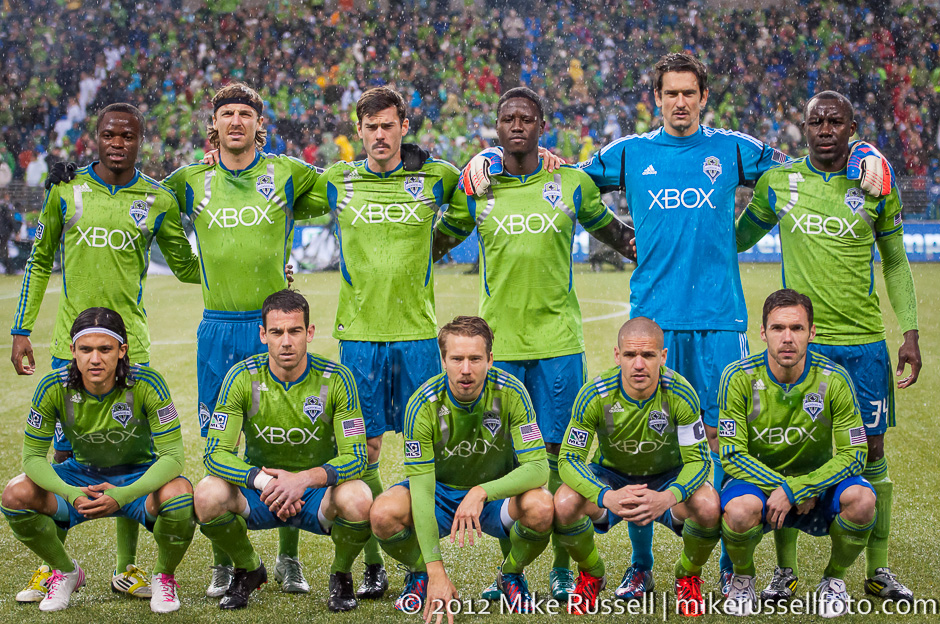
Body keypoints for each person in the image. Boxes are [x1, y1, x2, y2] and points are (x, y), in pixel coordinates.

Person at [459, 53, 892, 598]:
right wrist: (489, 157)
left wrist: (863, 152)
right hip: (654, 323)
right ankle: (640, 566)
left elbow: (804, 161)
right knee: (641, 440)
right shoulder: (629, 152)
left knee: (721, 439)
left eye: (689, 93)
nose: (680, 102)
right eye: (671, 94)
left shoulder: (733, 149)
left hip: (718, 319)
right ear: (656, 99)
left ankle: (728, 565)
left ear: (703, 97)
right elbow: (559, 172)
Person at [433, 86, 635, 600]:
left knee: (560, 460)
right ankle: (514, 573)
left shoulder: (570, 183)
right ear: (497, 128)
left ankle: (564, 568)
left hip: (558, 345)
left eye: (526, 118)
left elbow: (618, 236)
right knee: (511, 463)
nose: (517, 125)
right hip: (497, 350)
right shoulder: (477, 188)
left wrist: (668, 247)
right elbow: (432, 243)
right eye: (508, 119)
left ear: (542, 126)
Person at [735, 91, 920, 603]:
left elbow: (896, 261)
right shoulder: (780, 182)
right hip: (800, 345)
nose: (824, 129)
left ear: (852, 128)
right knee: (790, 451)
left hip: (863, 345)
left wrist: (909, 331)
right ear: (804, 126)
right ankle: (785, 571)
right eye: (815, 120)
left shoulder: (875, 184)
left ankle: (877, 570)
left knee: (873, 452)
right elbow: (736, 238)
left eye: (835, 121)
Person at [9, 103, 200, 602]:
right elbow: (39, 258)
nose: (118, 143)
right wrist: (21, 329)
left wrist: (262, 271)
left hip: (131, 347)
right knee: (64, 454)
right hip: (69, 349)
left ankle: (126, 567)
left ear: (141, 140)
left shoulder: (157, 198)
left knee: (129, 454)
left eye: (128, 136)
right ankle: (57, 567)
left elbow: (187, 266)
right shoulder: (65, 189)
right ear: (95, 138)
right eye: (109, 135)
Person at [294, 86, 460, 599]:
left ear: (404, 127)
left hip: (416, 338)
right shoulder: (337, 180)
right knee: (362, 454)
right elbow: (280, 194)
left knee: (420, 453)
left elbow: (469, 205)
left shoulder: (436, 177)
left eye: (389, 125)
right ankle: (367, 565)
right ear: (359, 132)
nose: (381, 135)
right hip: (360, 339)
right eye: (371, 127)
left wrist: (432, 246)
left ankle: (415, 560)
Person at [162, 82, 324, 597]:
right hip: (218, 329)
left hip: (274, 324)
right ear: (214, 124)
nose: (236, 121)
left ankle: (289, 557)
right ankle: (227, 559)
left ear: (260, 123)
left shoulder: (287, 172)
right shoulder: (190, 179)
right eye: (227, 113)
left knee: (286, 438)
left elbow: (346, 183)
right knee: (222, 444)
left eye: (245, 113)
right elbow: (143, 198)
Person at [1, 307, 195, 613]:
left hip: (137, 476)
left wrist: (124, 494)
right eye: (85, 349)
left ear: (122, 351)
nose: (95, 359)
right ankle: (65, 571)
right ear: (73, 351)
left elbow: (173, 457)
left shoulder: (148, 383)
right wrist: (70, 493)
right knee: (16, 494)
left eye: (105, 349)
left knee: (181, 496)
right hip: (81, 476)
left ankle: (163, 576)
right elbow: (32, 458)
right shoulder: (53, 387)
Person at [194, 289, 371, 611]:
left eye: (295, 331)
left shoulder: (337, 379)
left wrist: (302, 480)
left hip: (315, 495)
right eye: (276, 332)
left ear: (310, 332)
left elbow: (358, 457)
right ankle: (249, 567)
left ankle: (341, 575)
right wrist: (265, 482)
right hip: (261, 493)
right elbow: (215, 453)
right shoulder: (242, 377)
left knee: (359, 497)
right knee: (207, 494)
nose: (286, 342)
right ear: (263, 335)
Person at [369, 316, 553, 621]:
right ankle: (421, 575)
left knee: (542, 507)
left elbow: (537, 468)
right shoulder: (422, 404)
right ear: (443, 360)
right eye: (456, 359)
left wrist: (481, 492)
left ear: (490, 359)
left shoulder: (512, 392)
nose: (466, 369)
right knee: (382, 513)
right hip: (440, 496)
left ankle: (510, 574)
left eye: (475, 359)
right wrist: (436, 570)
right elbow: (422, 491)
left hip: (494, 499)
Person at [719, 289, 875, 618]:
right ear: (763, 333)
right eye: (777, 328)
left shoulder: (834, 379)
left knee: (862, 500)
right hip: (759, 486)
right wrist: (786, 489)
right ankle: (743, 579)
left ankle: (833, 579)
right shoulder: (738, 377)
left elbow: (855, 453)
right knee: (738, 511)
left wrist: (801, 487)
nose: (787, 338)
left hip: (817, 487)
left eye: (797, 328)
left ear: (811, 332)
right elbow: (731, 455)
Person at [555, 317, 719, 616]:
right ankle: (592, 574)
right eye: (630, 355)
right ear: (617, 356)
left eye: (648, 355)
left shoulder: (680, 393)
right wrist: (605, 495)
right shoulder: (596, 394)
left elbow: (699, 460)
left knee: (708, 506)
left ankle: (687, 576)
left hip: (668, 477)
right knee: (564, 502)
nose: (639, 364)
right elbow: (569, 459)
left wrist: (669, 496)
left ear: (663, 356)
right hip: (612, 477)